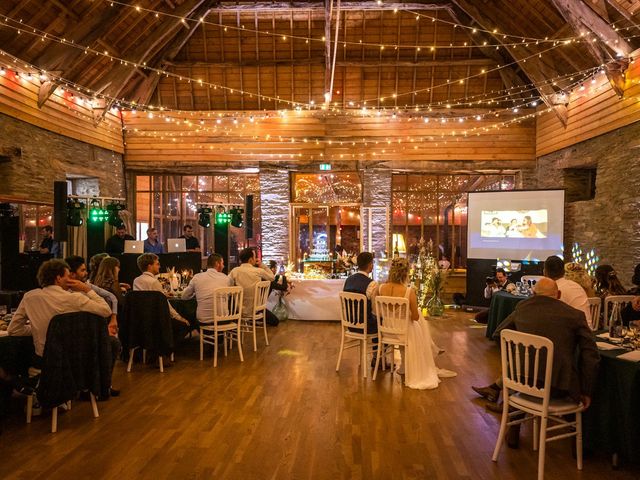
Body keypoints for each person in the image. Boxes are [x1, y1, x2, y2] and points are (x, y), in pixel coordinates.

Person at [493, 278, 599, 448]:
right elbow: (591, 355)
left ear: (534, 294)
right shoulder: (574, 315)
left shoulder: (522, 308)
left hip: (520, 382)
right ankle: (581, 447)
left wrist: (515, 359)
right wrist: (586, 390)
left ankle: (513, 431)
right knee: (576, 387)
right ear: (558, 295)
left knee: (530, 375)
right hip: (557, 388)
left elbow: (499, 333)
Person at [7, 260, 115, 398]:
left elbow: (13, 330)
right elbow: (106, 310)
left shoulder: (30, 296)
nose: (71, 280)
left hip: (43, 359)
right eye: (68, 276)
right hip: (75, 360)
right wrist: (87, 289)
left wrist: (38, 329)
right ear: (58, 278)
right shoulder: (75, 298)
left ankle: (31, 394)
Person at [378, 257, 456, 389]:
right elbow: (414, 317)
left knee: (418, 322)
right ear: (405, 273)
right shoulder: (409, 292)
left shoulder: (380, 288)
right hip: (403, 331)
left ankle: (407, 364)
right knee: (419, 321)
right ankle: (427, 353)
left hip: (386, 330)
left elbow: (378, 311)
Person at [65, 255, 121, 395]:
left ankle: (104, 385)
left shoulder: (87, 286)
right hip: (71, 336)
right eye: (83, 270)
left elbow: (112, 297)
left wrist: (113, 319)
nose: (86, 273)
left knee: (113, 343)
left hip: (88, 332)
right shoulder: (64, 292)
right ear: (71, 274)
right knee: (108, 343)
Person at [132, 253, 190, 337]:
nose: (159, 266)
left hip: (140, 318)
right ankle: (168, 347)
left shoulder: (136, 280)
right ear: (149, 266)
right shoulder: (154, 282)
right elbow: (166, 305)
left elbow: (145, 296)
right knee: (184, 325)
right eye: (157, 264)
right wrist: (180, 318)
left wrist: (163, 294)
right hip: (156, 320)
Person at [229, 248, 277, 326]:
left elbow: (228, 285)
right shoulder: (258, 271)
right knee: (275, 321)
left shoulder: (234, 271)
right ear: (251, 259)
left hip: (239, 310)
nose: (256, 259)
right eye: (255, 257)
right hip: (256, 309)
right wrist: (262, 265)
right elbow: (272, 277)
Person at [343, 252, 379, 353]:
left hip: (350, 325)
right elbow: (375, 310)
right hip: (366, 326)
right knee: (382, 322)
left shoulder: (348, 280)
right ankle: (378, 359)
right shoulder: (372, 284)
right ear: (370, 265)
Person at [181, 253, 232, 322]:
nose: (223, 266)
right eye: (222, 263)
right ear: (217, 264)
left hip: (205, 321)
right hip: (224, 319)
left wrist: (195, 293)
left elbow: (184, 296)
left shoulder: (197, 277)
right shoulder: (226, 278)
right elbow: (228, 296)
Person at [544, 256, 591, 326]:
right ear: (563, 272)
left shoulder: (552, 290)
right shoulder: (576, 286)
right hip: (588, 331)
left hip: (576, 334)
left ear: (545, 273)